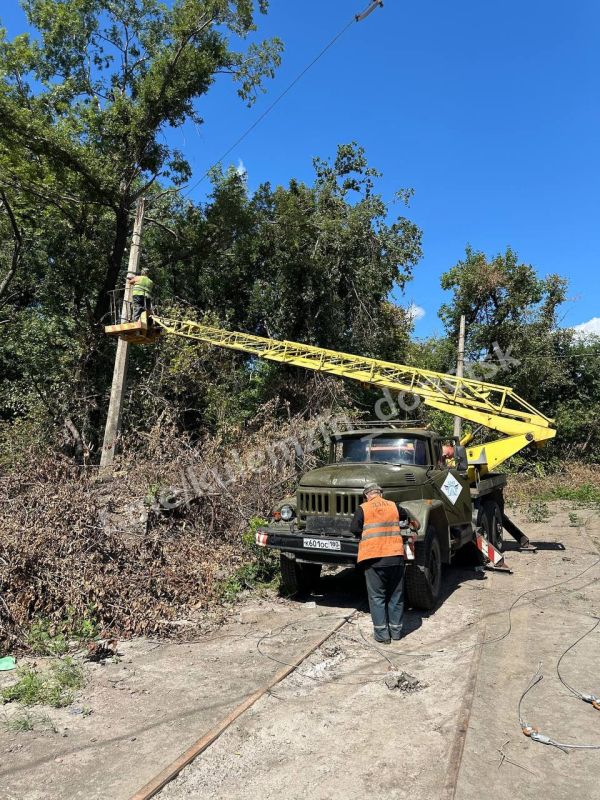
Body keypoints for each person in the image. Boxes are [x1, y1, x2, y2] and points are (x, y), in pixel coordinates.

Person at [351, 482, 419, 644]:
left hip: (373, 559)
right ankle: (396, 632)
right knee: (396, 595)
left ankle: (382, 635)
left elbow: (354, 529)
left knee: (377, 597)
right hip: (395, 557)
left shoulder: (363, 508)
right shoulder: (393, 506)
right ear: (380, 493)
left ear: (367, 495)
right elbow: (409, 519)